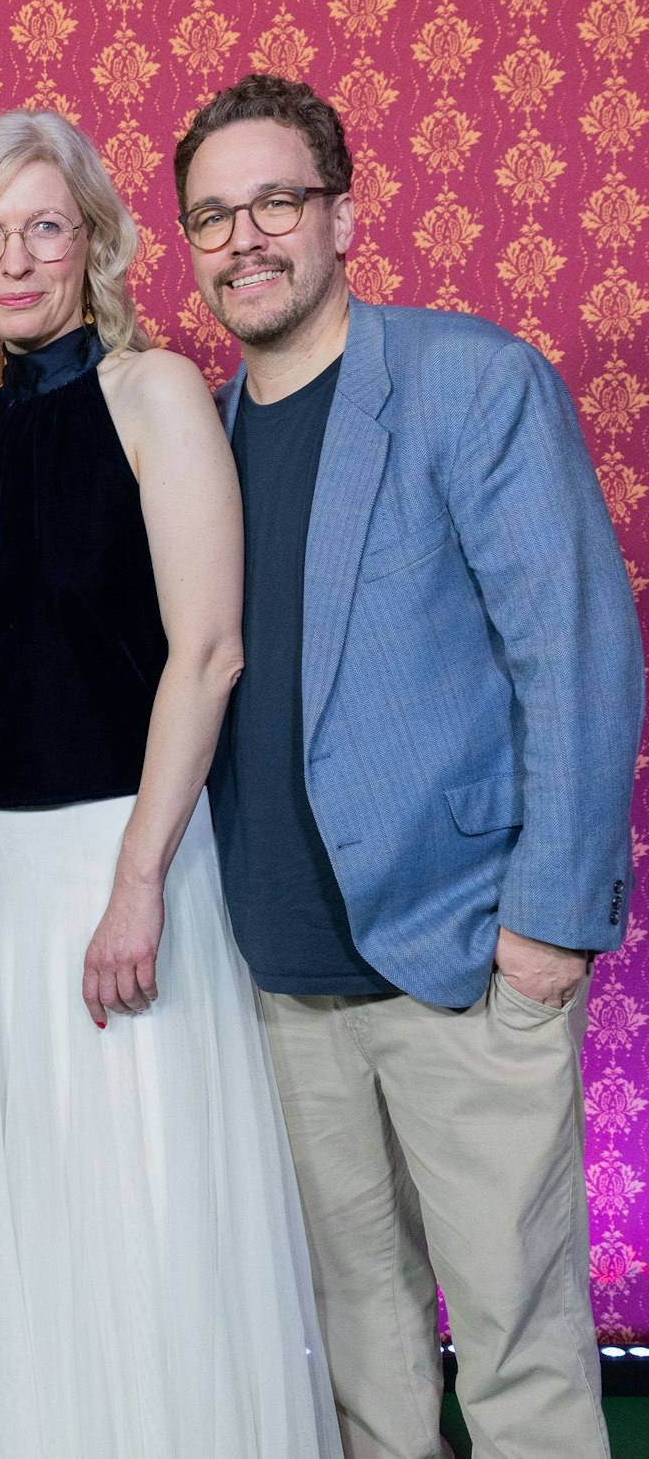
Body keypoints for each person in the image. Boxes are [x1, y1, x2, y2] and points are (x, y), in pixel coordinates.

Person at [176, 74, 641, 1459]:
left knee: (518, 1352)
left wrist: (549, 923)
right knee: (360, 1350)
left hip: (461, 958)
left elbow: (577, 652)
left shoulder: (466, 380)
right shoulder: (193, 435)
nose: (245, 236)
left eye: (275, 201)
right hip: (279, 979)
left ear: (342, 215)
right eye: (213, 214)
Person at [0, 110, 342, 1458]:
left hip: (125, 862)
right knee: (4, 1227)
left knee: (142, 1214)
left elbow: (207, 652)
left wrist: (136, 882)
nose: (16, 257)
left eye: (44, 225)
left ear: (91, 241)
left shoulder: (157, 399)